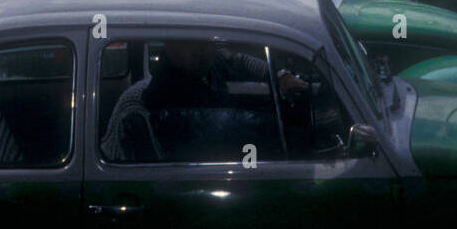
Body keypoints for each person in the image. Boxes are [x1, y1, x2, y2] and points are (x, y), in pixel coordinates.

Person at [101, 40, 307, 163]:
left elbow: (241, 62)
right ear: (169, 46)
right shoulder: (160, 97)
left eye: (203, 42)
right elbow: (213, 138)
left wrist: (281, 76)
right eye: (186, 44)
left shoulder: (207, 65)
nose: (198, 51)